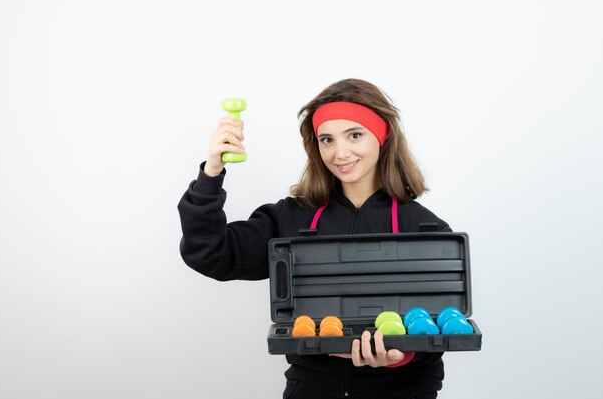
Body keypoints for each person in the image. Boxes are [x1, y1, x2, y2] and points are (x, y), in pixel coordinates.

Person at [178, 79, 452, 399]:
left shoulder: (424, 227)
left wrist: (401, 355)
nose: (340, 152)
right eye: (327, 139)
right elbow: (210, 253)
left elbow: (442, 329)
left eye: (354, 134)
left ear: (382, 136)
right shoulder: (288, 218)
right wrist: (212, 171)